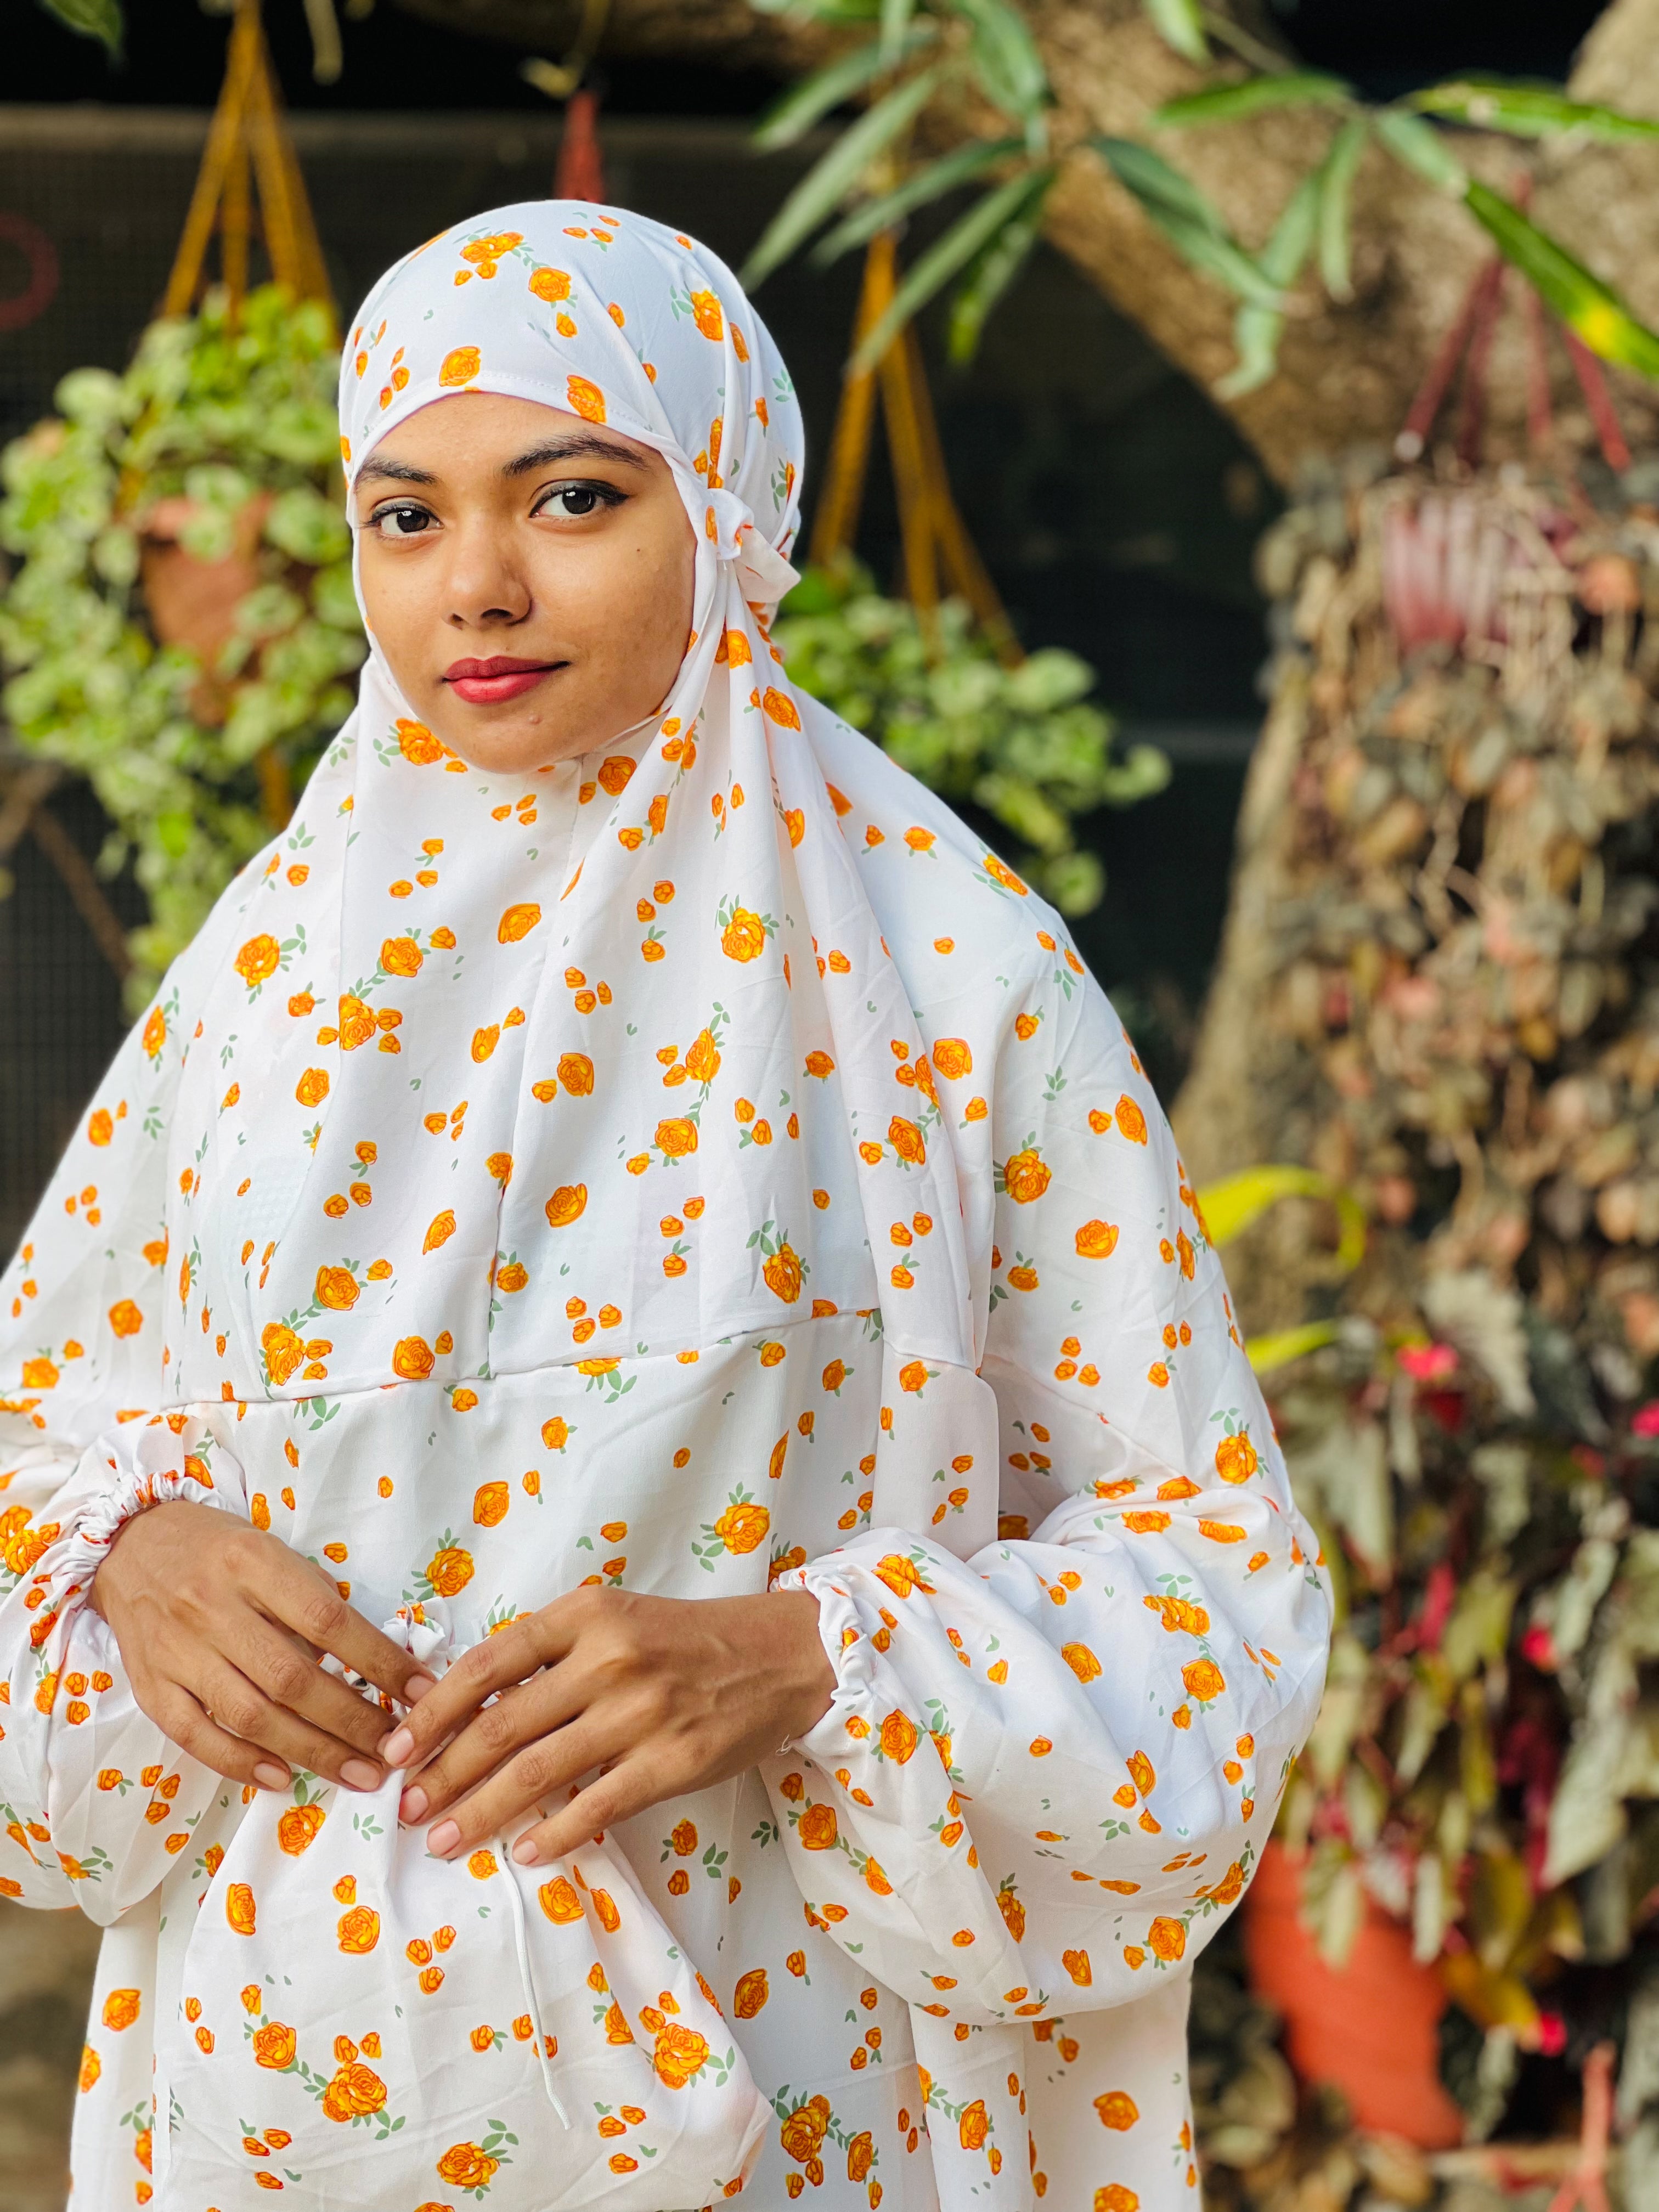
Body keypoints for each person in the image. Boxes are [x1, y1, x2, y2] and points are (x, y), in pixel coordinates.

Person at [0, 202, 1329, 2211]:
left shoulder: (952, 982)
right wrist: (131, 1553)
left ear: (727, 503)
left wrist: (800, 1656)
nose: (481, 586)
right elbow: (44, 1429)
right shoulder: (265, 977)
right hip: (288, 2095)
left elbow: (1208, 1584)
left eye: (574, 494)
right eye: (406, 514)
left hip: (803, 2085)